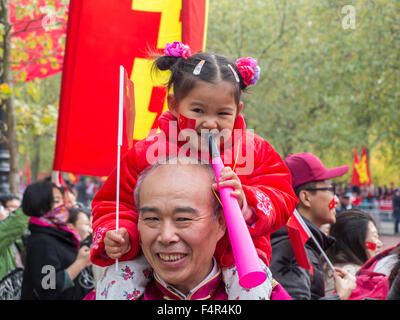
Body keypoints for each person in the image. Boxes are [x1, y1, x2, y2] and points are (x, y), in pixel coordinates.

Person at [91, 42, 298, 293]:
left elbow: (282, 195)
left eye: (223, 113)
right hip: (155, 255)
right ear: (174, 105)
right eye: (198, 110)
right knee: (114, 286)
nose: (210, 123)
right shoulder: (146, 152)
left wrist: (246, 201)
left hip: (238, 257)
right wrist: (121, 233)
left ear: (238, 111)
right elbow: (113, 203)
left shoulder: (255, 151)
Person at [96, 159, 283, 300]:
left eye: (183, 219)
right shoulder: (111, 292)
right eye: (152, 219)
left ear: (221, 223)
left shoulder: (266, 295)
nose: (166, 236)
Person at [270, 152, 356, 300]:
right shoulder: (291, 246)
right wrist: (340, 297)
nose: (336, 200)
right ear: (306, 197)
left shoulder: (300, 242)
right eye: (330, 189)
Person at [20, 181, 92, 300]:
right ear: (41, 206)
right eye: (57, 201)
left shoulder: (60, 233)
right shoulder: (41, 241)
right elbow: (48, 287)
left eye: (62, 201)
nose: (63, 206)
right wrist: (80, 263)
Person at [324, 209, 383, 295]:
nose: (380, 244)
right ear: (355, 240)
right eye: (375, 236)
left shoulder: (326, 264)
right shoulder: (350, 275)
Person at [0, 204, 29, 300]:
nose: (8, 212)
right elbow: (17, 222)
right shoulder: (4, 234)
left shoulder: (11, 239)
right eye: (2, 209)